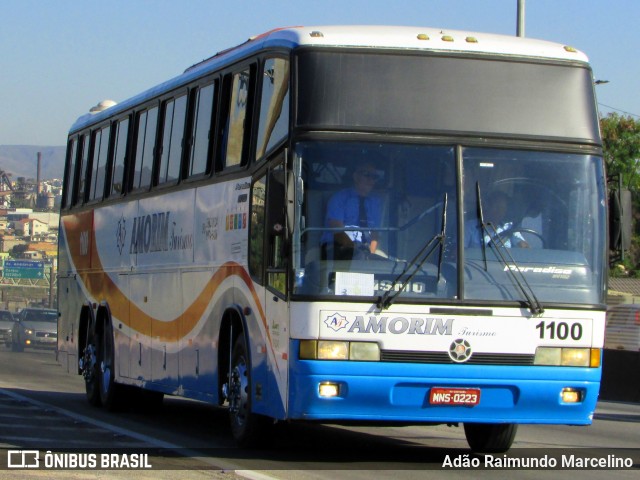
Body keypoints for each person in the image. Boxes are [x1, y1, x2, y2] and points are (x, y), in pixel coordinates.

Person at [321, 163, 383, 260]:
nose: (371, 180)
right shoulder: (340, 198)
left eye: (374, 177)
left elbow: (375, 234)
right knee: (358, 258)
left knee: (390, 267)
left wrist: (370, 254)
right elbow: (337, 230)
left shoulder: (375, 202)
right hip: (337, 247)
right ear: (356, 177)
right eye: (367, 175)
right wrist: (354, 250)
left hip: (364, 251)